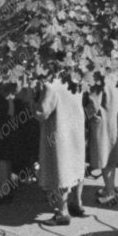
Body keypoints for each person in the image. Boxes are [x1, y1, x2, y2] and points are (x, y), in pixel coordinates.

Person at [38, 74, 87, 221]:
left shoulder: (51, 86)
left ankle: (62, 212)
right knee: (77, 165)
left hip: (59, 133)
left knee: (61, 170)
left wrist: (31, 103)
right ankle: (77, 203)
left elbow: (42, 112)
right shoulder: (78, 79)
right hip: (76, 129)